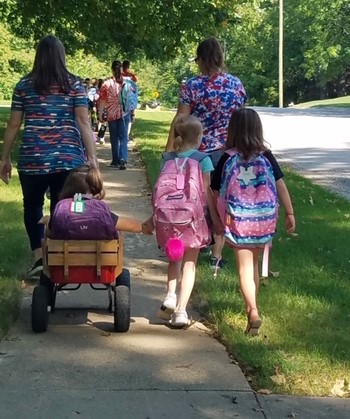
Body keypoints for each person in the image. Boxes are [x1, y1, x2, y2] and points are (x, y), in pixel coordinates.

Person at [0, 35, 97, 280]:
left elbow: (13, 125)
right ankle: (56, 256)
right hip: (67, 158)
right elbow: (84, 121)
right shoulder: (74, 84)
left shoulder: (23, 85)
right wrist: (92, 159)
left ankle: (39, 257)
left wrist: (5, 157)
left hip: (32, 157)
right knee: (62, 206)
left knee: (32, 206)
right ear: (62, 57)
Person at [211, 108, 296, 335]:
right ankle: (251, 317)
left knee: (244, 269)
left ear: (233, 130)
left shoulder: (226, 157)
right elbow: (280, 185)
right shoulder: (266, 156)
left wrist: (218, 219)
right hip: (263, 220)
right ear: (258, 129)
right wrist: (290, 213)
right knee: (254, 266)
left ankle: (253, 312)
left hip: (239, 219)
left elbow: (214, 191)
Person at [165, 37, 247, 270]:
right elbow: (240, 117)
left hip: (196, 151)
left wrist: (169, 151)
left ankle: (195, 240)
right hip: (228, 151)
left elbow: (181, 119)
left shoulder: (191, 86)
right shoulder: (235, 85)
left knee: (196, 196)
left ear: (201, 59)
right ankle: (217, 250)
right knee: (221, 199)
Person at [143, 115, 223, 328]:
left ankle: (170, 295)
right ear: (198, 137)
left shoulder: (167, 158)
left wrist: (153, 218)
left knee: (174, 258)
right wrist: (216, 220)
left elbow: (160, 191)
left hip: (168, 219)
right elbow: (206, 192)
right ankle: (180, 311)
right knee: (190, 263)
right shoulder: (202, 159)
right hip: (193, 220)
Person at [54, 165, 149, 235]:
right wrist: (142, 228)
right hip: (100, 258)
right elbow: (129, 225)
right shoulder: (98, 208)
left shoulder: (62, 207)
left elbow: (52, 229)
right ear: (96, 186)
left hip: (63, 259)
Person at [98, 61, 128, 170]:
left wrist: (100, 114)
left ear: (112, 69)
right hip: (124, 113)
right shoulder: (126, 82)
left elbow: (102, 100)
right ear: (121, 69)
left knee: (114, 138)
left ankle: (115, 160)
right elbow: (131, 99)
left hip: (111, 113)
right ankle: (123, 158)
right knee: (123, 137)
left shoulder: (106, 83)